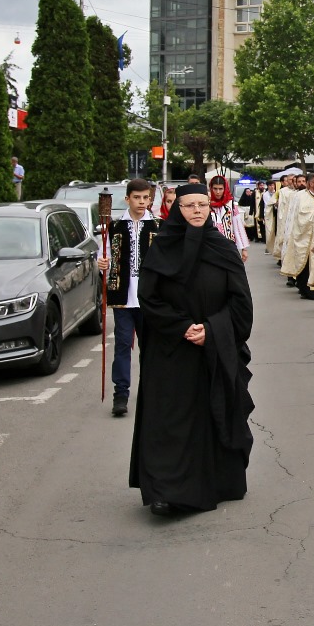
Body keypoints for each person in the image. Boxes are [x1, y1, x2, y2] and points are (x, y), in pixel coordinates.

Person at [130, 183, 253, 517]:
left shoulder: (224, 249)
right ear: (176, 210)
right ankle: (166, 491)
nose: (197, 211)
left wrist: (211, 330)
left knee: (212, 414)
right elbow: (149, 298)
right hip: (170, 349)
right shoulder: (162, 248)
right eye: (189, 206)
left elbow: (240, 302)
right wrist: (182, 327)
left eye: (202, 204)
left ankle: (218, 482)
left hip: (213, 349)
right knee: (170, 419)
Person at [98, 178, 160, 417]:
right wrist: (101, 263)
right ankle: (121, 393)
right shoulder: (114, 227)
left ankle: (149, 391)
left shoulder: (157, 226)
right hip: (122, 296)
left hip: (149, 298)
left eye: (146, 198)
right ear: (128, 199)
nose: (142, 202)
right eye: (137, 197)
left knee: (151, 347)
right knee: (123, 345)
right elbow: (102, 255)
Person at [208, 174, 249, 263]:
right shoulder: (206, 204)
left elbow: (238, 227)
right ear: (211, 188)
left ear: (225, 188)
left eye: (220, 189)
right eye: (215, 189)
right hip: (211, 247)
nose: (218, 192)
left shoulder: (231, 205)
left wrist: (243, 249)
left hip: (229, 246)